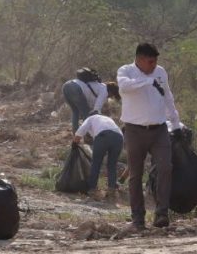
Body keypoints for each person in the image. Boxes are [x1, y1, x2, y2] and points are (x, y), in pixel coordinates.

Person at [116, 43, 182, 229]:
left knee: (165, 168)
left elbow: (168, 96)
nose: (153, 66)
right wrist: (147, 82)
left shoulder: (160, 72)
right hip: (134, 130)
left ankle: (161, 214)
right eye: (150, 62)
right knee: (136, 175)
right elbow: (124, 87)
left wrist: (175, 124)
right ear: (139, 59)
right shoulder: (126, 71)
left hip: (159, 129)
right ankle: (138, 218)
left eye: (155, 62)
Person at [73, 112, 123, 201]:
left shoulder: (91, 118)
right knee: (112, 165)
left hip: (103, 136)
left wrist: (74, 143)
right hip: (119, 138)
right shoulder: (107, 119)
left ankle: (92, 189)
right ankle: (111, 191)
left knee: (96, 163)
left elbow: (81, 131)